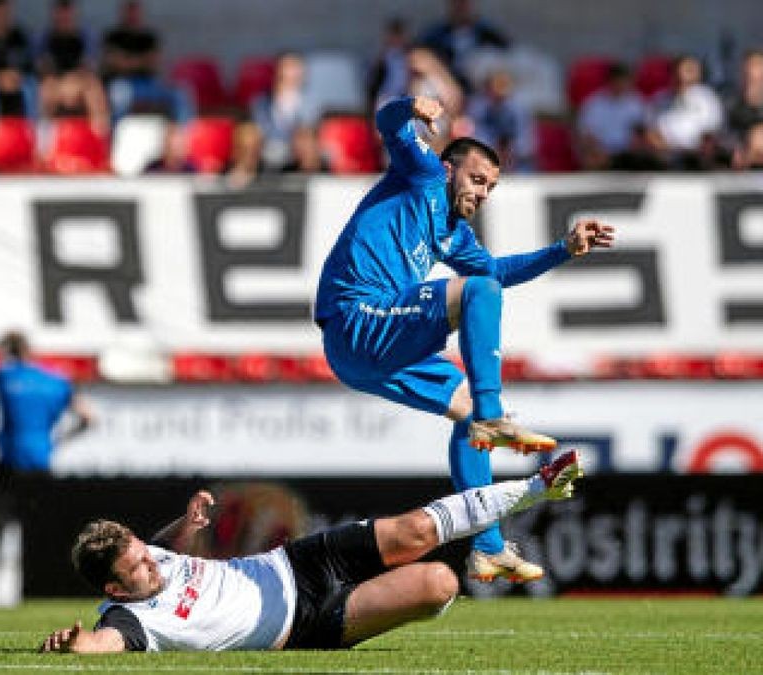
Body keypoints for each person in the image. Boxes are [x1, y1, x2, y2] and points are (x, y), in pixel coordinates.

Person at [315, 95, 613, 584]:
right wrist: (413, 105)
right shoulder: (424, 174)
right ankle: (494, 416)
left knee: (467, 406)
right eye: (477, 180)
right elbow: (387, 123)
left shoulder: (455, 235)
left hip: (367, 353)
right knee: (477, 297)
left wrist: (563, 249)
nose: (482, 194)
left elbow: (495, 271)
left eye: (491, 188)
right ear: (450, 168)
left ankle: (488, 548)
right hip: (357, 320)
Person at [38, 450, 582, 653]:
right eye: (135, 565)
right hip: (306, 625)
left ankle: (539, 485)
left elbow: (165, 548)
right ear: (114, 589)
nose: (149, 562)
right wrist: (73, 643)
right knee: (439, 582)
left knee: (416, 531)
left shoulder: (154, 557)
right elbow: (105, 643)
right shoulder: (132, 622)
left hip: (296, 563)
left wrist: (189, 523)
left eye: (141, 550)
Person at [0, 331, 95, 603]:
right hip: (41, 464)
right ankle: (45, 589)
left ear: (9, 351)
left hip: (10, 467)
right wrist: (58, 440)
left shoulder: (5, 375)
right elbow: (88, 417)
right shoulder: (56, 381)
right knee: (41, 534)